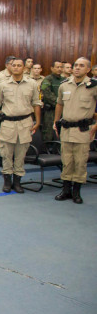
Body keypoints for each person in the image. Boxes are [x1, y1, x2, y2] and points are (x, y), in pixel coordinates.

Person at [0, 58, 42, 193]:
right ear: (10, 67)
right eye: (14, 65)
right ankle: (7, 181)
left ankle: (17, 182)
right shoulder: (3, 84)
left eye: (19, 65)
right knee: (6, 154)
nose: (17, 67)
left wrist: (38, 121)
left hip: (25, 123)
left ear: (24, 68)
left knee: (20, 155)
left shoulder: (32, 84)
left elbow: (37, 103)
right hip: (8, 124)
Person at [53, 57, 97, 204]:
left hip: (83, 130)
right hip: (66, 129)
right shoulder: (64, 85)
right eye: (75, 65)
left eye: (81, 65)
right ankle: (65, 190)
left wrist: (96, 126)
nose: (77, 68)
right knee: (67, 161)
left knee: (80, 162)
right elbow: (59, 104)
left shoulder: (93, 86)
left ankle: (76, 192)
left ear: (88, 69)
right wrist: (56, 120)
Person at [40, 61, 65, 141]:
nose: (59, 69)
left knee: (61, 129)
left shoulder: (64, 80)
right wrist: (58, 102)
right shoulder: (48, 79)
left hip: (63, 109)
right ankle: (48, 147)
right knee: (49, 129)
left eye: (61, 67)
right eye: (57, 67)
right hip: (51, 110)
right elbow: (46, 93)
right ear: (52, 68)